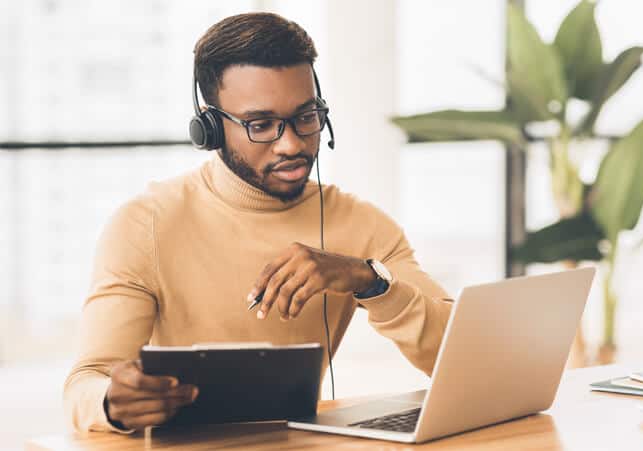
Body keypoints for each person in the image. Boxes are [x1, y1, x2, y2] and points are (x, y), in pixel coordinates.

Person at [64, 12, 452, 433]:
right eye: (261, 125)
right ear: (209, 127)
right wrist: (113, 402)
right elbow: (86, 383)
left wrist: (370, 281)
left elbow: (460, 358)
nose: (291, 144)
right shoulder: (145, 225)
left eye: (306, 117)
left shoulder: (362, 224)